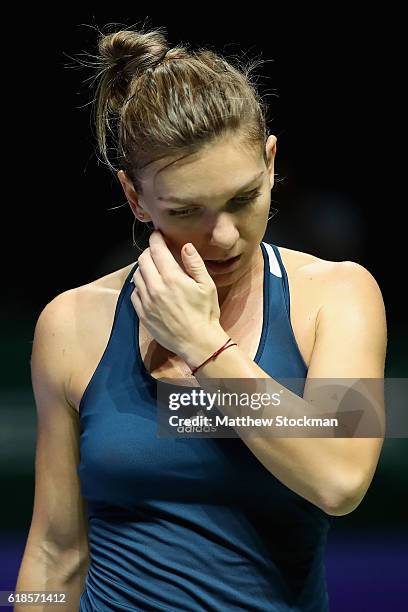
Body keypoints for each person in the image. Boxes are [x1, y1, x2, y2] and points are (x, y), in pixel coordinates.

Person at [15, 24, 387, 612]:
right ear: (135, 198)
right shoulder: (69, 323)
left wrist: (205, 347)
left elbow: (340, 479)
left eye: (243, 199)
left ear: (269, 162)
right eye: (186, 210)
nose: (225, 237)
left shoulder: (338, 296)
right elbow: (54, 551)